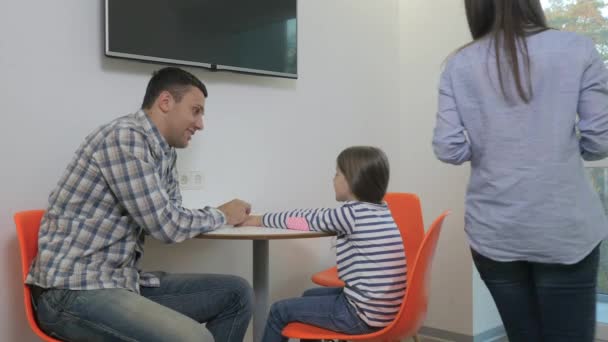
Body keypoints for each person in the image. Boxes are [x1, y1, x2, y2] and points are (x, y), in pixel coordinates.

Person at [25, 67, 254, 342]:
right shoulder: (125, 138)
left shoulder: (165, 151)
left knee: (236, 294)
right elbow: (167, 226)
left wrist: (224, 216)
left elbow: (173, 214)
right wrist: (222, 214)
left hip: (118, 282)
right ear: (166, 102)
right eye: (196, 111)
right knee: (195, 339)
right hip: (71, 291)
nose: (201, 123)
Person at [432, 1, 608, 341]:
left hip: (494, 232)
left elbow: (448, 147)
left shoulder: (459, 64)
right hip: (564, 230)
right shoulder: (576, 49)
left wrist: (491, 151)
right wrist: (563, 150)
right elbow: (600, 140)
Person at [240, 146, 407, 342]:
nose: (333, 179)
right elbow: (317, 217)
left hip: (361, 316)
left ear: (353, 179)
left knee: (279, 311)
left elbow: (305, 220)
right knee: (310, 295)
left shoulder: (351, 213)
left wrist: (260, 219)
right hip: (384, 311)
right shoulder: (382, 210)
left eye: (337, 174)